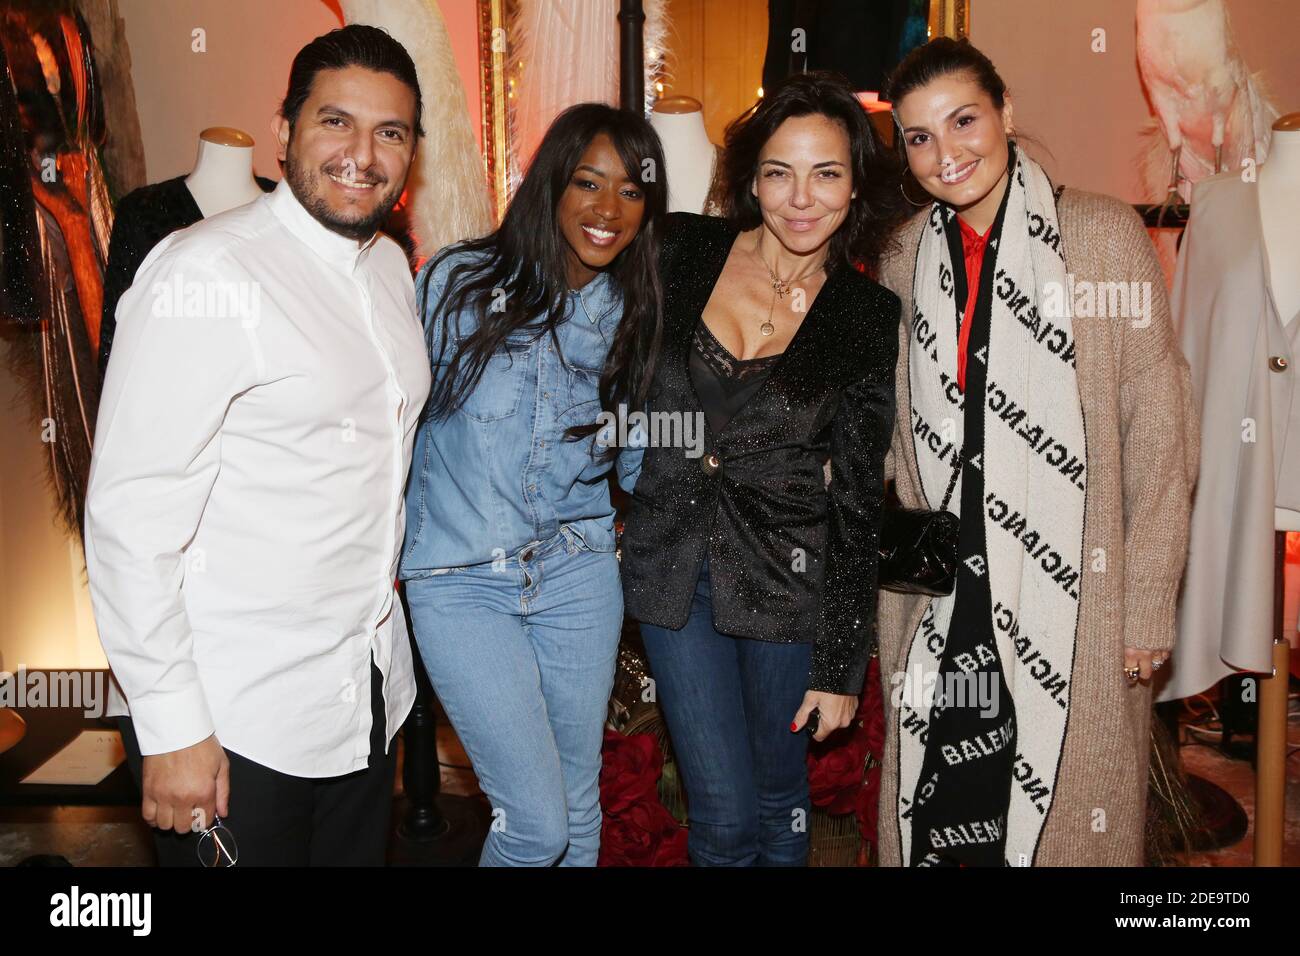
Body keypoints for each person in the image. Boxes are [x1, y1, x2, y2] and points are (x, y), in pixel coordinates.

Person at [84, 25, 429, 866]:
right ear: (284, 132)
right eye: (335, 122)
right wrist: (170, 726)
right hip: (237, 723)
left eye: (391, 133)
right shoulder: (205, 274)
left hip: (365, 703)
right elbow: (131, 512)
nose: (362, 154)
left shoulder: (389, 268)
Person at [875, 37, 1197, 867]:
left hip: (1075, 592)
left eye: (964, 120)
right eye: (918, 136)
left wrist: (1148, 597)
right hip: (943, 593)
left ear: (1006, 113)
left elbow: (1158, 428)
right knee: (946, 812)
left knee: (1068, 812)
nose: (946, 153)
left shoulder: (1099, 235)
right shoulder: (904, 257)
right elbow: (889, 433)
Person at [618, 71, 905, 866]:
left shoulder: (863, 315)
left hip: (787, 582)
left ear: (855, 187)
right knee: (719, 811)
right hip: (674, 572)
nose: (800, 198)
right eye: (780, 172)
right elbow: (606, 366)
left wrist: (842, 661)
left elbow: (855, 499)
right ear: (750, 178)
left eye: (827, 173)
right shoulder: (681, 248)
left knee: (780, 799)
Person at [400, 103, 666, 866]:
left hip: (578, 575)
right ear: (551, 183)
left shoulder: (636, 314)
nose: (606, 209)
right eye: (587, 182)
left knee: (578, 805)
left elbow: (642, 465)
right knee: (535, 825)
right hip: (461, 578)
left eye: (630, 190)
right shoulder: (458, 283)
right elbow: (394, 426)